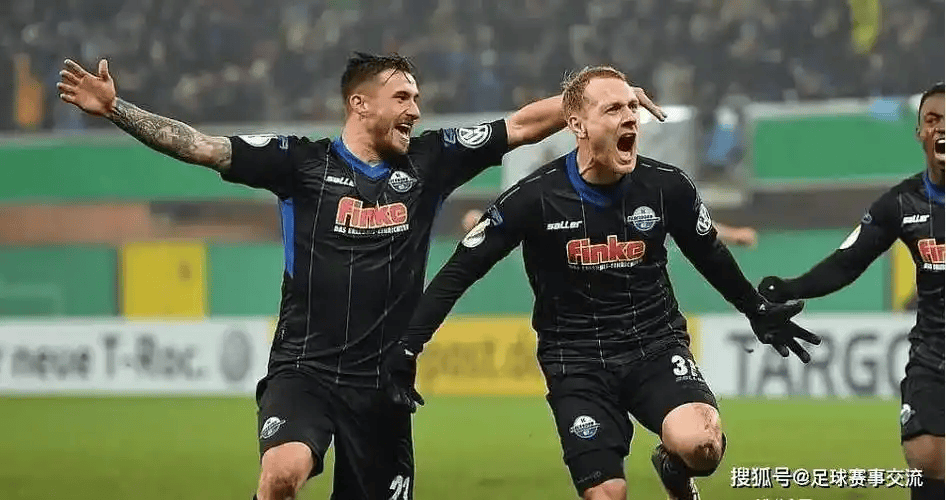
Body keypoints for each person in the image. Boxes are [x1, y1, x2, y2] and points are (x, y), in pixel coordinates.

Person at [56, 54, 665, 500]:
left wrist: (601, 102)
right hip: (305, 370)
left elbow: (522, 126)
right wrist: (116, 109)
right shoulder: (299, 163)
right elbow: (202, 146)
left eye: (417, 98)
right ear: (361, 103)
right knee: (282, 473)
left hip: (383, 388)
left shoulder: (431, 160)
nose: (415, 110)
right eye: (402, 97)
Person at [382, 66, 820, 500]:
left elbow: (709, 253)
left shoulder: (666, 186)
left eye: (632, 108)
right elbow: (459, 271)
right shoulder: (534, 198)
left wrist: (754, 308)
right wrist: (407, 346)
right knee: (608, 493)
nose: (629, 117)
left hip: (654, 344)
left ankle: (673, 468)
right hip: (576, 360)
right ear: (577, 125)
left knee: (702, 447)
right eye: (613, 109)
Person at [758, 82, 944, 500]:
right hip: (935, 351)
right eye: (932, 120)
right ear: (919, 132)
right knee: (925, 456)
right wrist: (791, 287)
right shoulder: (902, 203)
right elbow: (848, 261)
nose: (941, 129)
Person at [463, 210, 758, 247]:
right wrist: (484, 222)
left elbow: (687, 219)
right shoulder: (559, 187)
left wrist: (732, 235)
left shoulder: (651, 184)